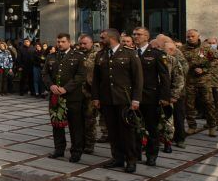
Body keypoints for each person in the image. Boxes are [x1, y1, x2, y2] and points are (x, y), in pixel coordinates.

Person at [92, 28, 143, 173]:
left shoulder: (129, 53)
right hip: (107, 100)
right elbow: (96, 79)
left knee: (127, 132)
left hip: (124, 99)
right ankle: (117, 158)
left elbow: (138, 79)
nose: (100, 40)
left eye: (103, 38)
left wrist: (136, 99)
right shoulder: (101, 55)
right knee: (113, 132)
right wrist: (96, 97)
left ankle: (131, 160)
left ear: (112, 38)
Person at [43, 33, 87, 162]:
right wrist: (50, 86)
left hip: (72, 97)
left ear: (69, 42)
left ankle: (76, 152)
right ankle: (59, 149)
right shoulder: (51, 56)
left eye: (62, 41)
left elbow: (80, 76)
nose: (60, 44)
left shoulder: (78, 56)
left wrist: (66, 88)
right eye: (58, 41)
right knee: (57, 124)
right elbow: (45, 73)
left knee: (75, 126)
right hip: (55, 97)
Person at [132, 27, 171, 167]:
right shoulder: (130, 52)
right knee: (134, 126)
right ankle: (135, 153)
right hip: (133, 96)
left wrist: (165, 96)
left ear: (146, 36)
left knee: (151, 127)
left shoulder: (156, 54)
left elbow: (165, 77)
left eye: (139, 34)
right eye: (134, 34)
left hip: (150, 96)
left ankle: (151, 154)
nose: (136, 36)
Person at [77, 34, 100, 154]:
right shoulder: (76, 54)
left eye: (85, 43)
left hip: (91, 93)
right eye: (81, 43)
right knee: (78, 120)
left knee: (90, 120)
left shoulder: (98, 55)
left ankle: (90, 144)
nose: (82, 46)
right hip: (77, 92)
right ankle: (80, 142)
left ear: (91, 43)